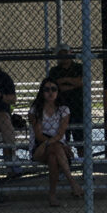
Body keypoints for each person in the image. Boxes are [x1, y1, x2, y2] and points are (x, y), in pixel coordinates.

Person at [27, 78, 83, 206]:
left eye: (54, 89)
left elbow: (60, 133)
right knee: (56, 147)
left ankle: (52, 196)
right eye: (46, 90)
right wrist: (49, 143)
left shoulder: (64, 110)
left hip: (54, 147)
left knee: (53, 156)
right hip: (39, 147)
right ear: (42, 92)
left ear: (58, 92)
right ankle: (73, 183)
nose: (50, 92)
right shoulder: (35, 110)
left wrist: (48, 143)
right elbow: (39, 135)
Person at [47, 42, 84, 155]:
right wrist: (72, 83)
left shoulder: (79, 67)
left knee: (81, 138)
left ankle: (84, 166)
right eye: (60, 54)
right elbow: (56, 86)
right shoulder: (54, 70)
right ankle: (66, 162)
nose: (64, 56)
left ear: (70, 53)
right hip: (61, 107)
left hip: (78, 106)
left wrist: (64, 80)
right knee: (63, 139)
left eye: (65, 53)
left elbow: (81, 82)